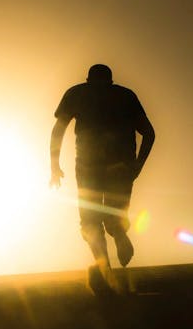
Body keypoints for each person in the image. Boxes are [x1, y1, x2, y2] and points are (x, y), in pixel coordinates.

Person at [49, 64, 155, 293]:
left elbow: (58, 130)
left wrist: (54, 166)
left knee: (90, 221)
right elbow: (149, 133)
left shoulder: (77, 93)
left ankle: (105, 269)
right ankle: (118, 233)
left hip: (89, 166)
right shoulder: (125, 95)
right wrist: (137, 165)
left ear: (88, 79)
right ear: (111, 80)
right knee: (114, 217)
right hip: (122, 166)